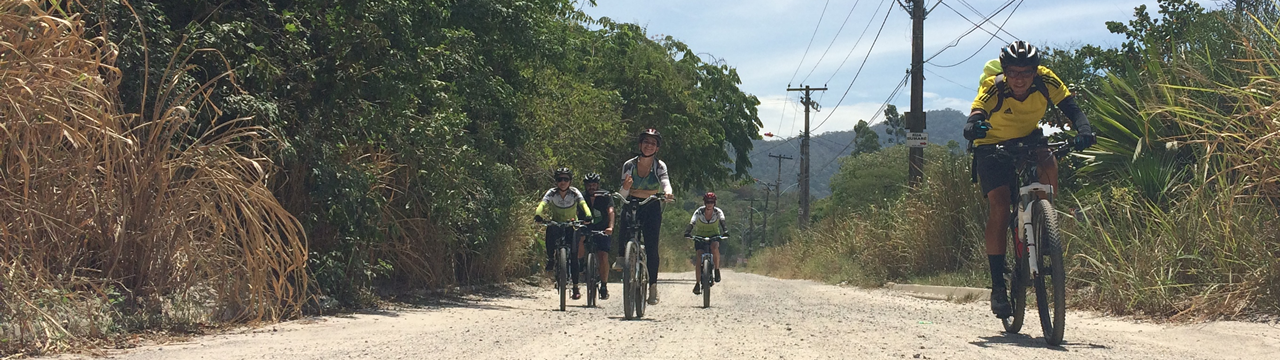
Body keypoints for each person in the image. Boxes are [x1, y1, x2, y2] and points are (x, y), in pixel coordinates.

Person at [964, 41, 1096, 318]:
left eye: (1026, 72)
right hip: (992, 144)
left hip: (1027, 137)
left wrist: (1083, 129)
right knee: (999, 206)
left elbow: (1071, 108)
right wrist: (973, 126)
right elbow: (976, 113)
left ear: (1035, 71)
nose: (1020, 78)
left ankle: (1045, 224)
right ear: (1005, 72)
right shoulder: (993, 86)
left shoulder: (1047, 80)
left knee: (1049, 161)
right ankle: (998, 287)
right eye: (1013, 72)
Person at [619, 128, 674, 305]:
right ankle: (623, 259)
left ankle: (653, 286)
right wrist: (626, 188)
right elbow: (623, 193)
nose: (648, 146)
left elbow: (665, 181)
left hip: (651, 203)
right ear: (640, 144)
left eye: (653, 143)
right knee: (623, 227)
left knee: (651, 246)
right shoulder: (629, 165)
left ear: (657, 148)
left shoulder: (659, 166)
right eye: (646, 142)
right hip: (632, 201)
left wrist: (667, 192)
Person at [533, 167, 593, 300]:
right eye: (560, 179)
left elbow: (583, 205)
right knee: (550, 230)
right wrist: (538, 214)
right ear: (556, 181)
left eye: (566, 179)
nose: (563, 182)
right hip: (557, 223)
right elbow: (542, 204)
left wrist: (588, 215)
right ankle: (551, 258)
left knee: (574, 254)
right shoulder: (552, 193)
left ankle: (576, 287)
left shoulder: (574, 192)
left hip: (572, 225)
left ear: (570, 181)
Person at [579, 172, 615, 300]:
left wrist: (610, 227)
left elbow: (610, 211)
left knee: (603, 255)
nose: (591, 187)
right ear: (585, 185)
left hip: (603, 229)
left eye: (594, 185)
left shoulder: (605, 196)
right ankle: (580, 265)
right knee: (580, 240)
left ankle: (604, 285)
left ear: (598, 185)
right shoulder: (581, 196)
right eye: (589, 185)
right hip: (585, 227)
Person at [684, 192, 728, 295]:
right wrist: (688, 232)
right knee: (699, 256)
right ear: (704, 202)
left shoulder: (718, 212)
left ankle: (716, 270)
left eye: (711, 202)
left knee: (715, 247)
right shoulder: (699, 212)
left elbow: (722, 222)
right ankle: (698, 283)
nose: (709, 204)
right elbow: (692, 222)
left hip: (714, 236)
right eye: (708, 202)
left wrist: (725, 231)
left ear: (714, 203)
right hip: (700, 236)